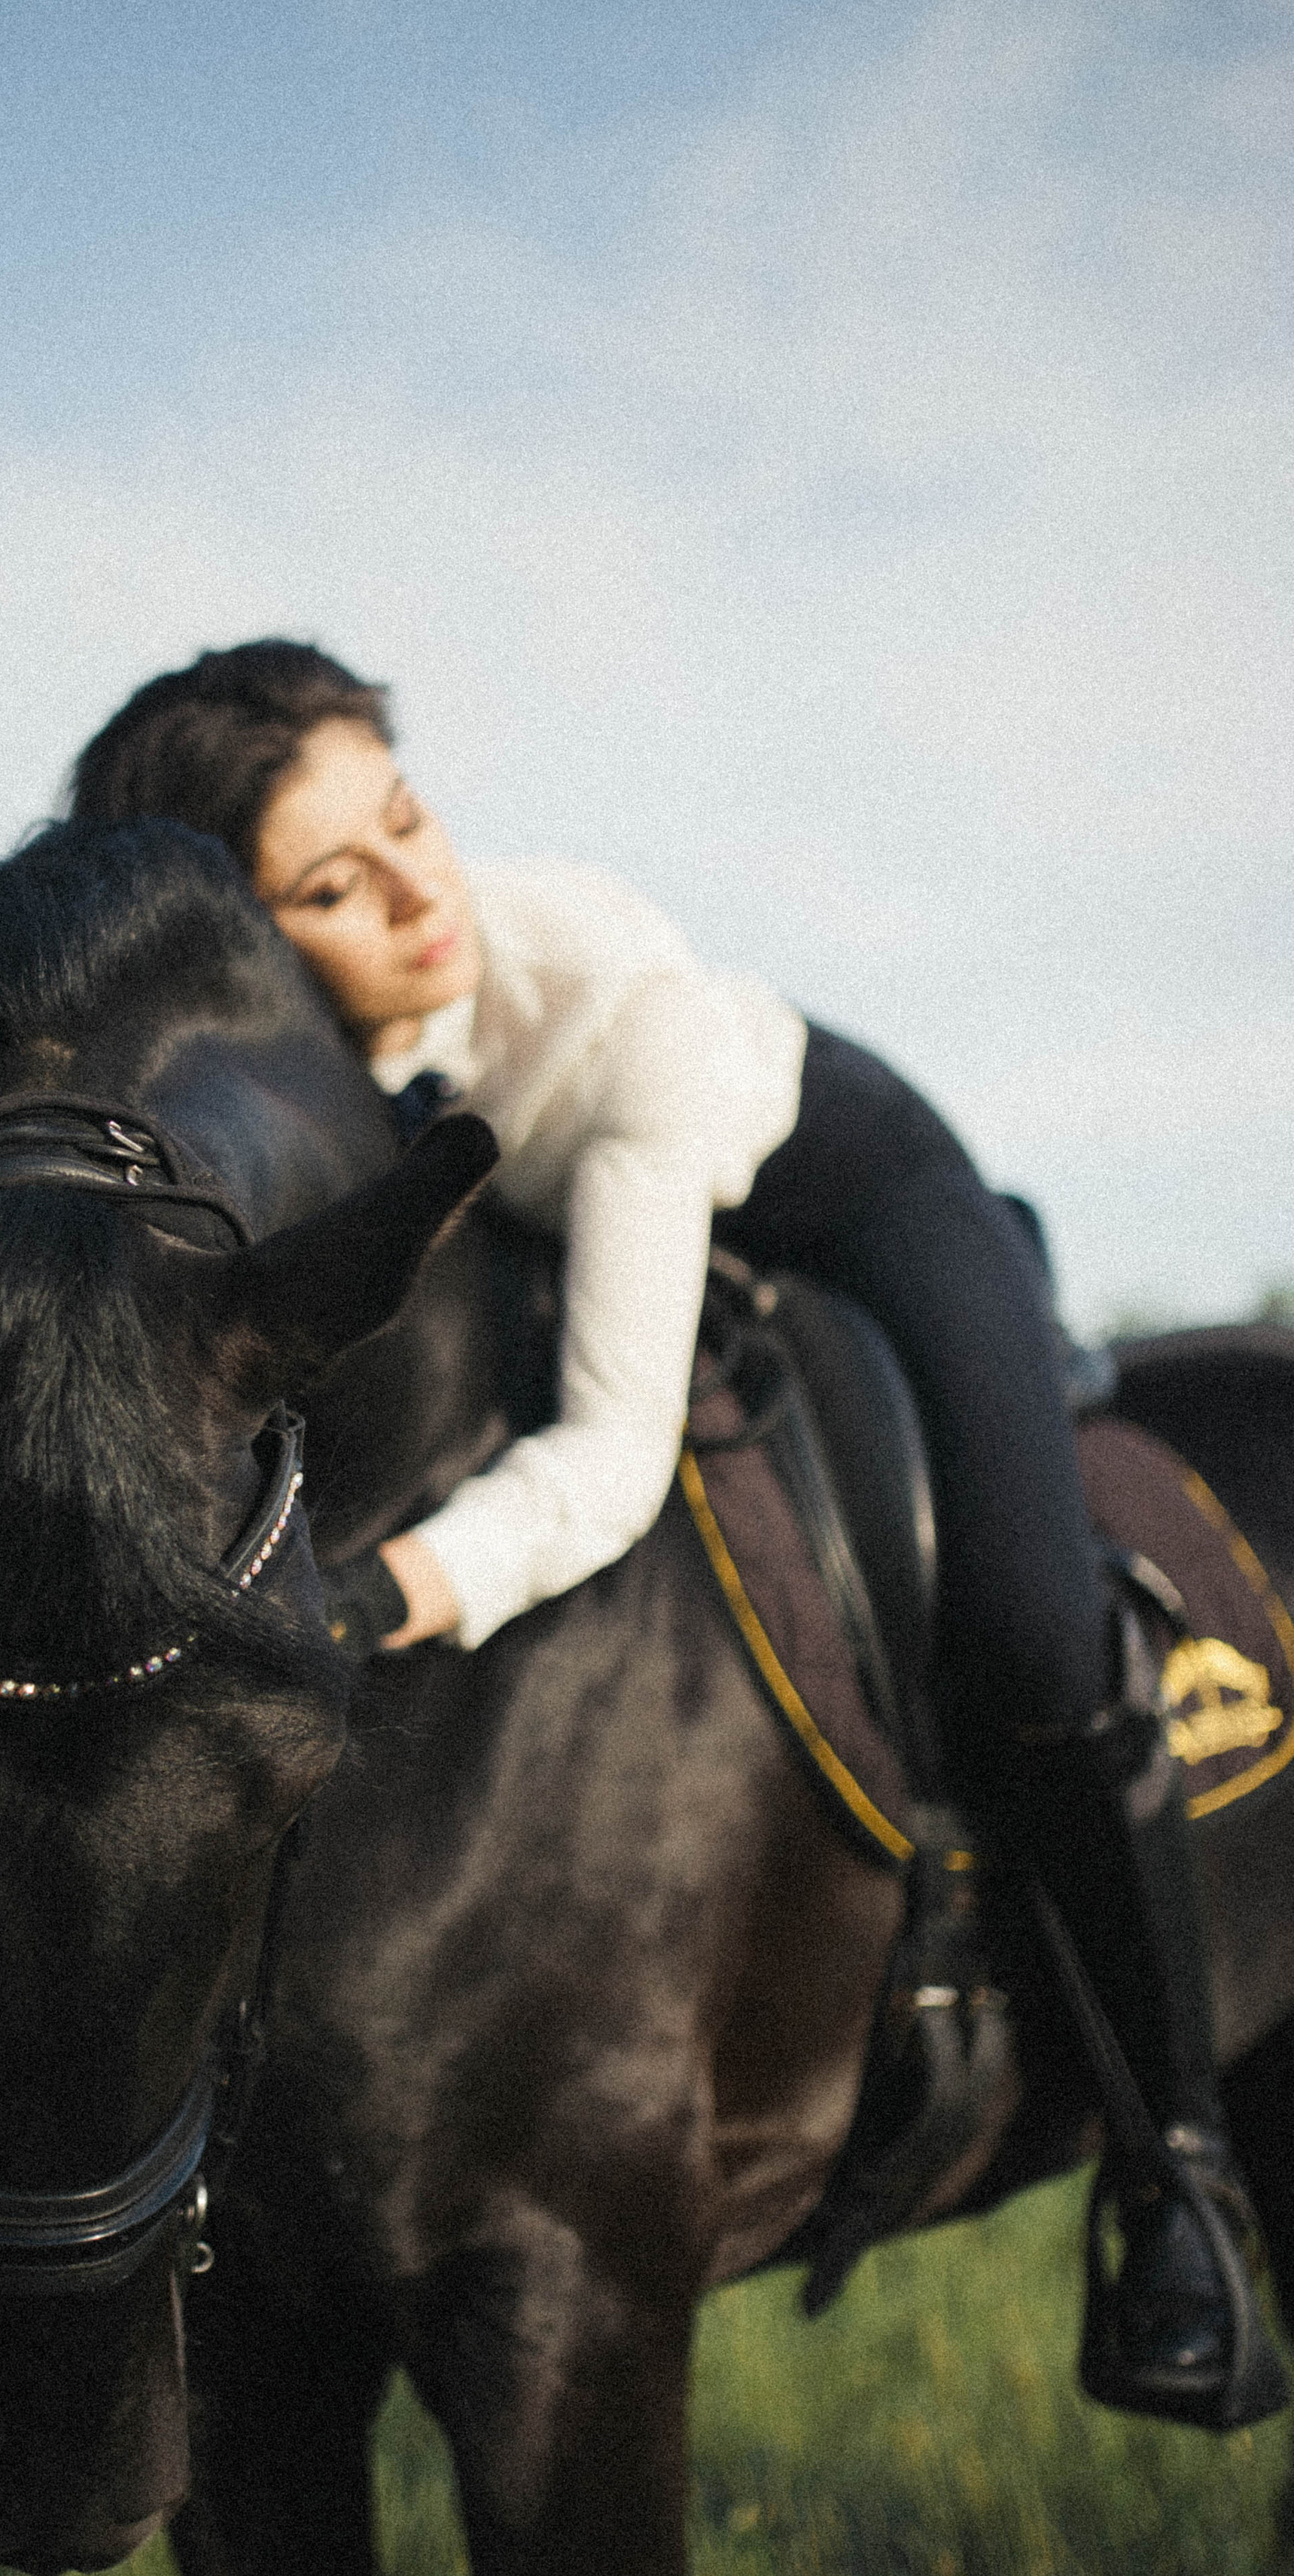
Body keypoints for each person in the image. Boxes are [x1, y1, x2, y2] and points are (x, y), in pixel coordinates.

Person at [67, 636, 1283, 2430]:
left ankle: (1173, 2168)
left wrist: (355, 1599)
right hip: (549, 1210)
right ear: (243, 945)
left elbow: (607, 1467)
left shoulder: (609, 1008)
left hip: (838, 1183)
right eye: (335, 882)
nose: (422, 893)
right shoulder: (255, 1094)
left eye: (406, 817)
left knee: (1033, 1622)